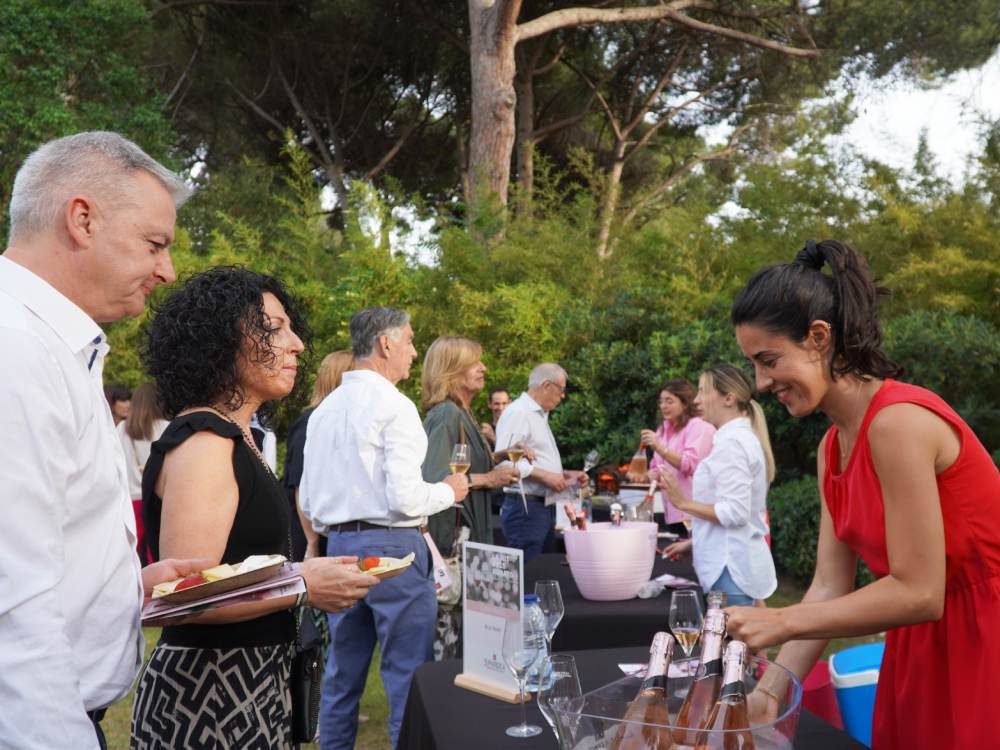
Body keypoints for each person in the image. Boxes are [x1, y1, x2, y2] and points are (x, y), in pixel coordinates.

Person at [725, 239, 1000, 750]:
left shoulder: (898, 424)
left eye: (768, 360)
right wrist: (773, 684)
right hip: (917, 648)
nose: (761, 383)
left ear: (819, 338)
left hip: (985, 643)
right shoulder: (832, 446)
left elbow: (920, 590)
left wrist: (781, 619)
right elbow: (830, 586)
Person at [0, 130, 212, 749]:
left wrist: (122, 588)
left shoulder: (50, 345)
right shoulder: (17, 351)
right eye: (155, 244)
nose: (167, 271)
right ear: (83, 219)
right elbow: (14, 613)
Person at [132, 267, 379, 749]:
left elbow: (241, 565)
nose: (296, 345)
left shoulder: (235, 435)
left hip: (248, 687)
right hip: (209, 696)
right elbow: (185, 598)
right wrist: (304, 585)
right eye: (274, 328)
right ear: (223, 340)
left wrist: (304, 571)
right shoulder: (206, 440)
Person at [300, 307, 469, 750]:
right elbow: (407, 499)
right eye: (411, 340)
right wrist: (450, 491)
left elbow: (307, 500)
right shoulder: (395, 405)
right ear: (386, 344)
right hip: (393, 548)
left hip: (338, 545)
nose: (415, 352)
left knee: (341, 674)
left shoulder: (324, 410)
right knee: (407, 677)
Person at [420, 337, 519, 658]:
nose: (483, 368)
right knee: (448, 643)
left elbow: (463, 465)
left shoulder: (462, 413)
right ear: (452, 369)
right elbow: (434, 478)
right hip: (454, 545)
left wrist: (500, 455)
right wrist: (490, 477)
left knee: (466, 642)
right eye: (474, 362)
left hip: (470, 543)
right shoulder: (447, 415)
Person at [658, 365, 777, 606]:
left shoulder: (732, 443)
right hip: (731, 567)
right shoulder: (733, 438)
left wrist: (683, 502)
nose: (697, 399)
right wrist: (694, 543)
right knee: (741, 643)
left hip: (729, 571)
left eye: (703, 392)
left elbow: (735, 513)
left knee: (731, 644)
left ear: (729, 398)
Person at [495, 363, 588, 562]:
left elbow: (535, 461)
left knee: (540, 573)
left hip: (538, 507)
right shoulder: (518, 412)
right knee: (529, 576)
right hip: (525, 508)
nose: (563, 396)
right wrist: (546, 476)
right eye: (561, 390)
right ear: (546, 385)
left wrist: (565, 475)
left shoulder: (538, 414)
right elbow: (503, 464)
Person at [284, 349, 355, 561]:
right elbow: (300, 485)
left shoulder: (335, 421)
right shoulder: (311, 422)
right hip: (309, 539)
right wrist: (312, 543)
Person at [640, 378, 716, 536]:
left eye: (669, 401)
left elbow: (689, 464)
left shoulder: (699, 426)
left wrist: (660, 447)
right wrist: (649, 476)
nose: (663, 406)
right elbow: (656, 466)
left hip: (696, 510)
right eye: (661, 401)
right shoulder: (663, 429)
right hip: (673, 511)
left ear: (686, 403)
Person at [117, 382, 169, 560]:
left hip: (129, 498)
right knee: (155, 549)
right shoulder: (166, 427)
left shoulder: (122, 428)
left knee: (132, 550)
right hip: (157, 498)